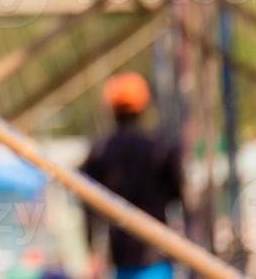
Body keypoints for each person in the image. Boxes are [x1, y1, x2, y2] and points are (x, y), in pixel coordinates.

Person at [79, 73, 186, 279]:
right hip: (157, 256)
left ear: (111, 110)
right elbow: (178, 195)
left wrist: (92, 250)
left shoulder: (101, 153)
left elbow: (88, 205)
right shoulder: (159, 150)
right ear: (143, 106)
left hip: (122, 259)